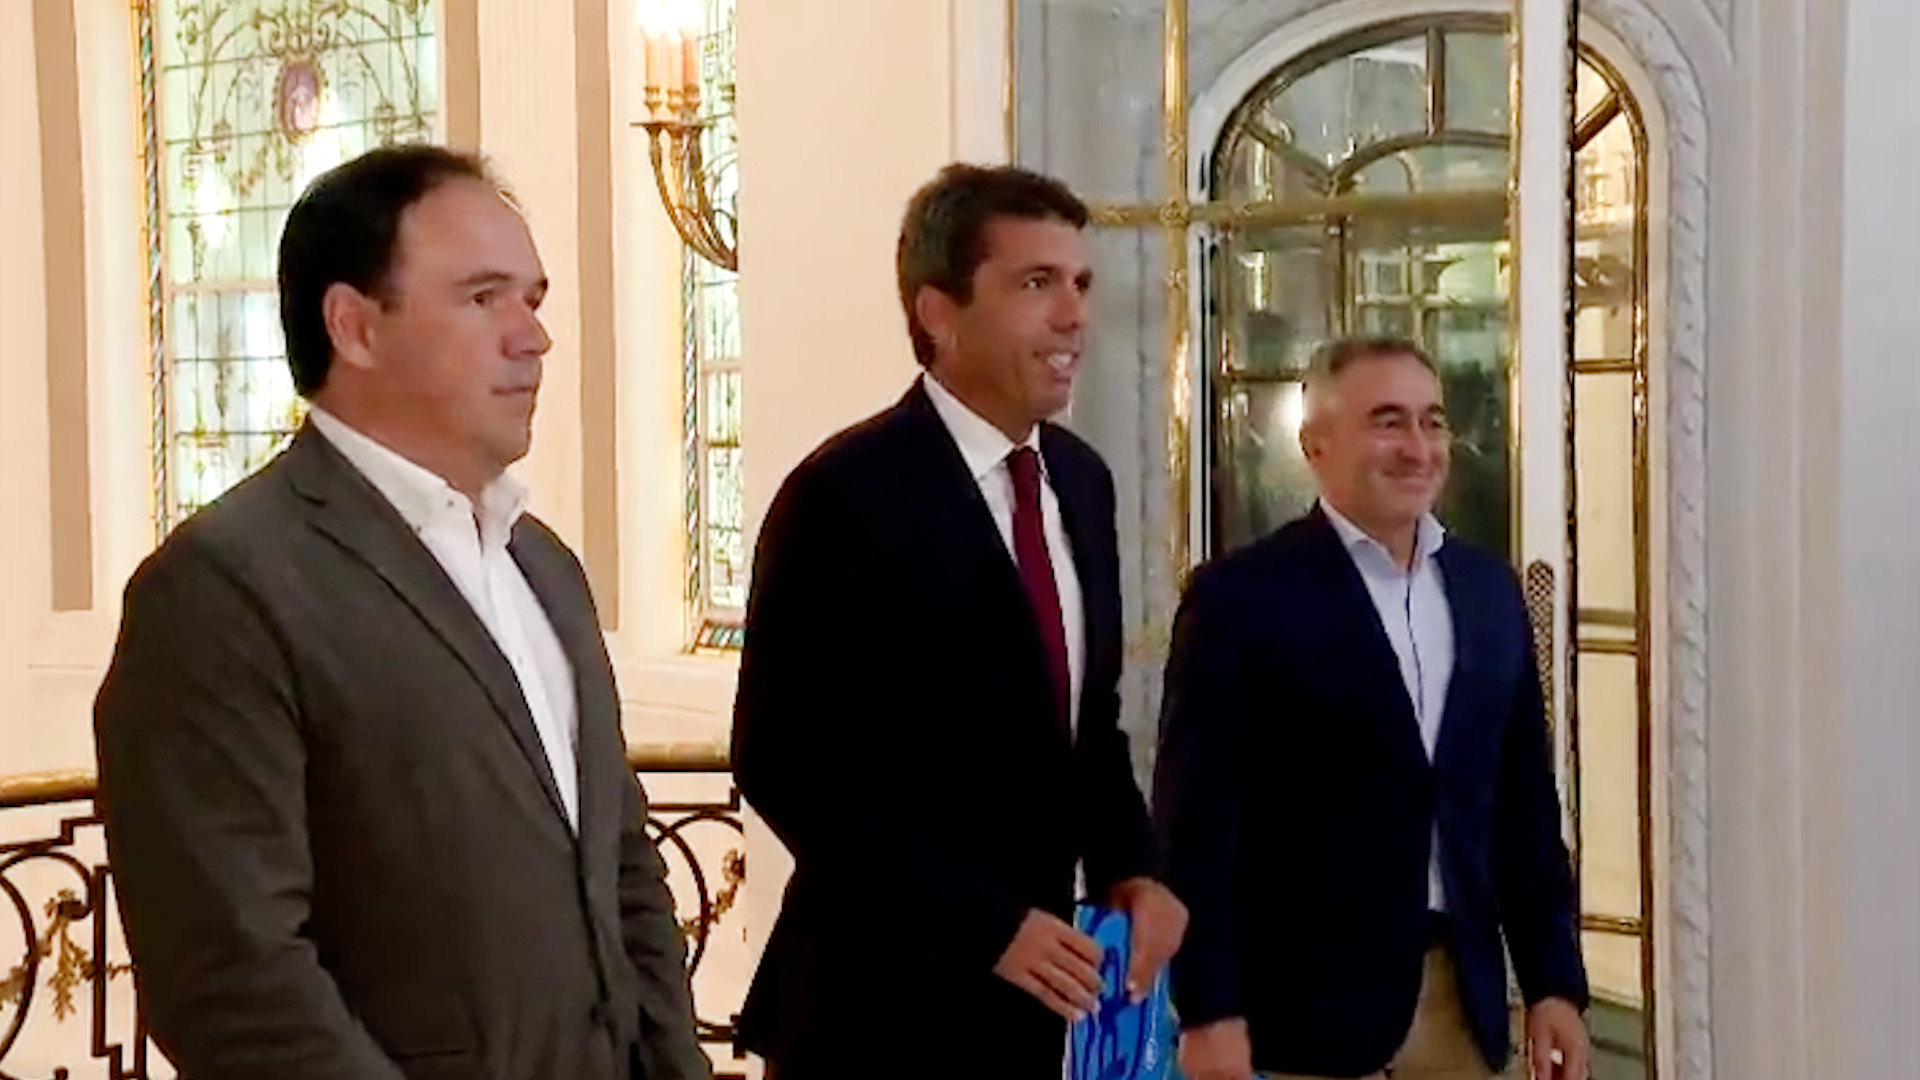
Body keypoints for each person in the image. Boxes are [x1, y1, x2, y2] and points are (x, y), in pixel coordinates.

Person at [93, 145, 711, 1080]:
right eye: (483, 298)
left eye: (533, 299)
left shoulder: (544, 567)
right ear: (355, 327)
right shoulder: (222, 588)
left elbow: (623, 874)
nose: (533, 337)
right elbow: (237, 980)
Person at [730, 163, 1187, 1079]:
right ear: (938, 313)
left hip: (1049, 1013)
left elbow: (1086, 727)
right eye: (1036, 284)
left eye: (1081, 284)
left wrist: (1135, 869)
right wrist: (987, 925)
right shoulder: (844, 495)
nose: (1074, 316)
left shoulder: (1082, 482)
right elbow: (783, 761)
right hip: (880, 1010)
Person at [1153, 337, 1591, 1080]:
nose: (1418, 447)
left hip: (1461, 1002)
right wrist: (1206, 1010)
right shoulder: (1241, 599)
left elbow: (1522, 810)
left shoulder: (1487, 591)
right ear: (1315, 445)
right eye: (1388, 422)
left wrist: (1554, 983)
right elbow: (1194, 831)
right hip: (1300, 1013)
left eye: (1432, 421)